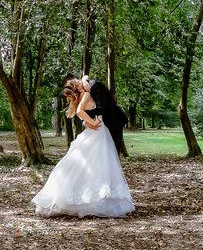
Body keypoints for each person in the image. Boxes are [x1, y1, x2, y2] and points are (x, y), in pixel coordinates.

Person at [31, 77, 134, 218]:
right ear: (77, 88)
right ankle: (98, 198)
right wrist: (91, 122)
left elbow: (84, 111)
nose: (80, 82)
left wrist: (88, 121)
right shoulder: (85, 94)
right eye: (77, 83)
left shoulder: (84, 93)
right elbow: (80, 112)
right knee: (101, 163)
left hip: (100, 131)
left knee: (96, 164)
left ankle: (100, 197)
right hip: (98, 132)